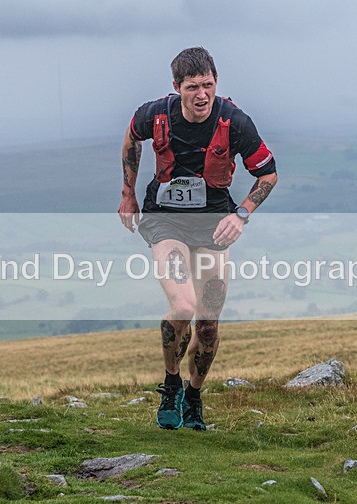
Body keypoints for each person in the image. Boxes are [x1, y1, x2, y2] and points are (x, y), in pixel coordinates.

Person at [118, 47, 277, 430]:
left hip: (212, 224)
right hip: (165, 221)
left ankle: (193, 396)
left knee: (207, 323)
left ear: (216, 84)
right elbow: (131, 139)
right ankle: (171, 384)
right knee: (184, 304)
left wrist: (242, 214)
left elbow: (268, 174)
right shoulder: (153, 114)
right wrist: (128, 193)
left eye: (208, 85)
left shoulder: (235, 122)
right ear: (177, 88)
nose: (202, 94)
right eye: (193, 87)